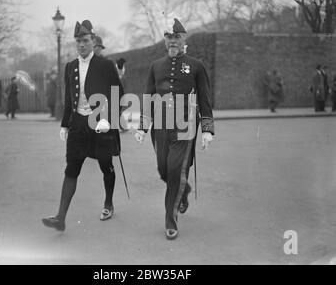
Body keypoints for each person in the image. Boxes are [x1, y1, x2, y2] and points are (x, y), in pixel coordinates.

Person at [134, 18, 214, 240]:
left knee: (176, 168)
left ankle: (171, 219)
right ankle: (184, 191)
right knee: (164, 169)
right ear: (165, 40)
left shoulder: (196, 66)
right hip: (160, 126)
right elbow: (148, 97)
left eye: (177, 37)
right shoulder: (155, 66)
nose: (172, 41)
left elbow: (205, 99)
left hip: (185, 126)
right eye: (169, 37)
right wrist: (142, 126)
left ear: (184, 39)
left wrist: (207, 129)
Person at [42, 19, 124, 231]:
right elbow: (69, 98)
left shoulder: (105, 65)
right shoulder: (70, 67)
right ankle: (60, 217)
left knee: (106, 166)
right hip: (78, 125)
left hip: (101, 123)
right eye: (78, 41)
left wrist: (109, 118)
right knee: (71, 169)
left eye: (85, 40)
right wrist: (64, 125)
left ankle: (108, 203)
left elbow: (119, 94)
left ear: (93, 41)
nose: (82, 45)